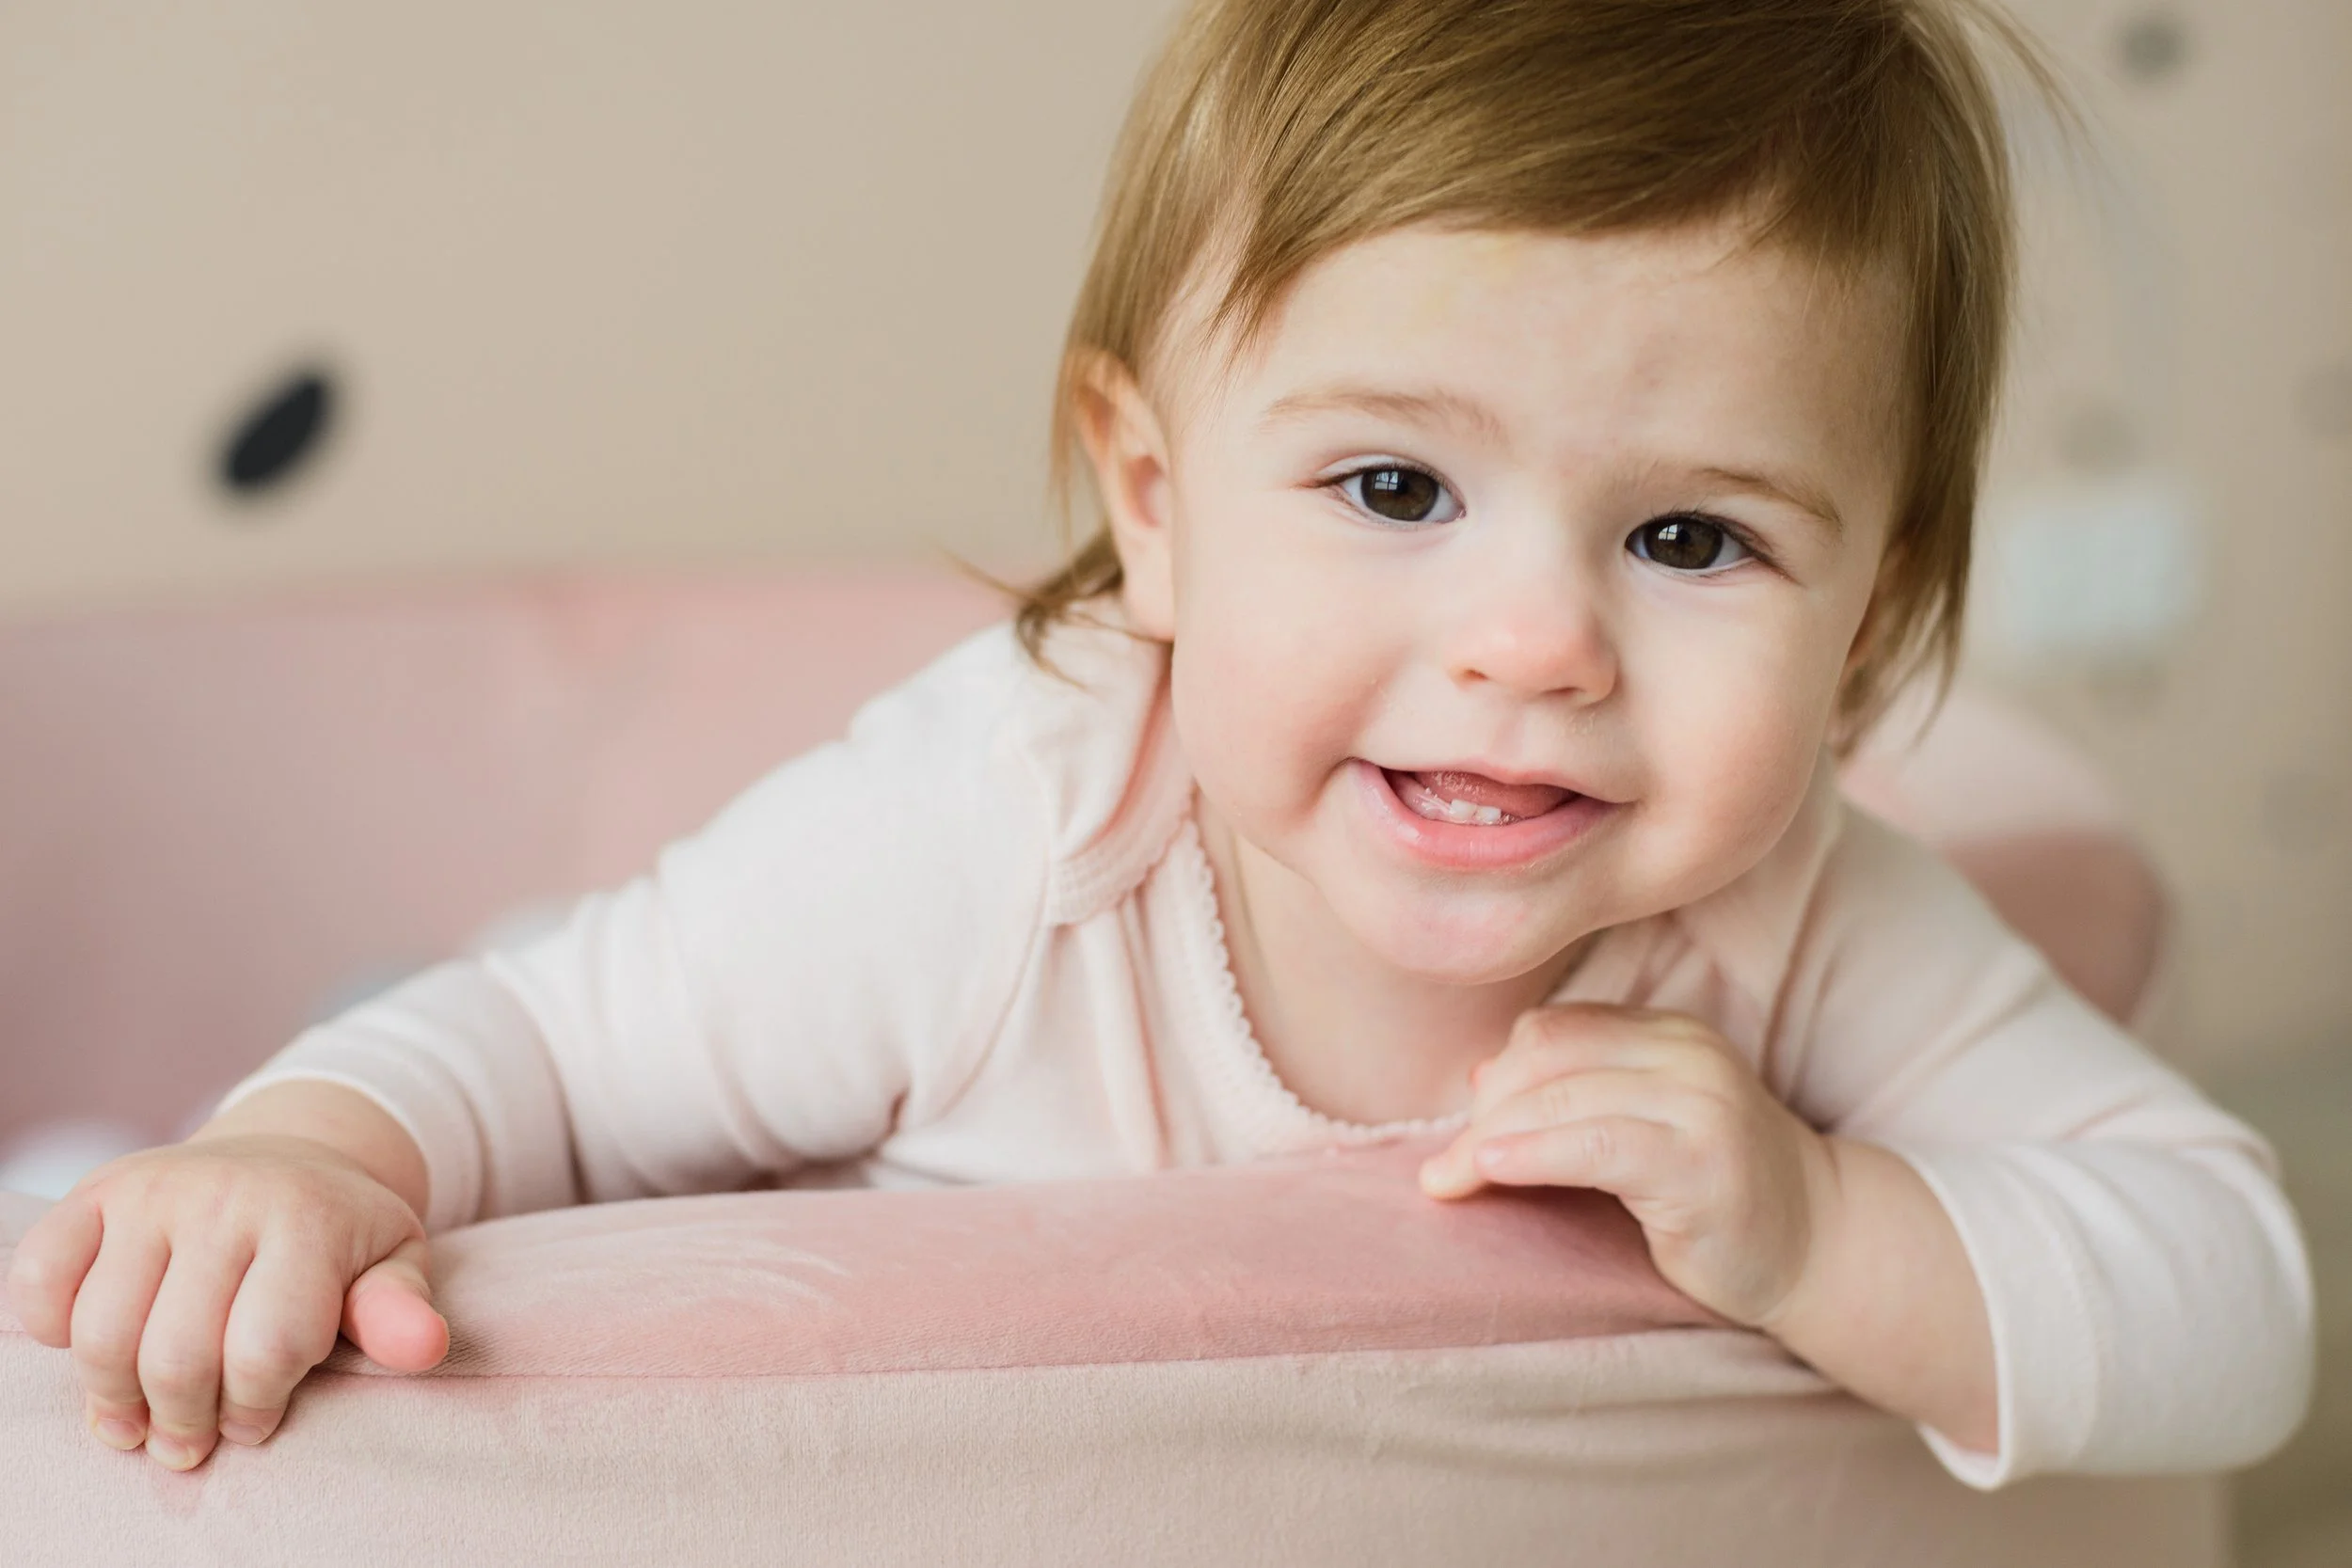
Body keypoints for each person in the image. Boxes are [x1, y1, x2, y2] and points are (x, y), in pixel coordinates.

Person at [6, 0, 2312, 1487]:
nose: (1529, 641)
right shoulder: (1007, 822)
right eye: (1393, 488)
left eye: (1692, 536)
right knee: (177, 1178)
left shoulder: (1801, 908)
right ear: (1148, 510)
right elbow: (539, 1043)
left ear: (1878, 617)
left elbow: (2227, 1299)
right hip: (589, 1074)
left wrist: (1827, 1229)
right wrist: (314, 1154)